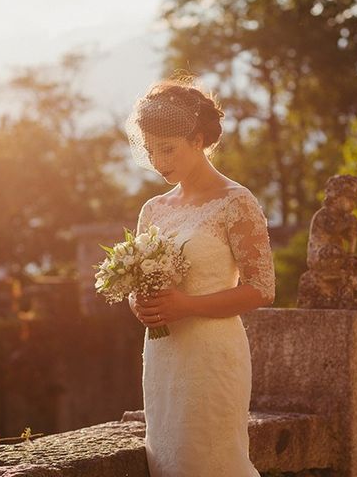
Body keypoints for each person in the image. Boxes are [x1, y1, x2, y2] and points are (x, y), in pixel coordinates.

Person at [125, 77, 276, 476]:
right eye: (152, 150)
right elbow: (137, 283)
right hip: (163, 358)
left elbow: (261, 289)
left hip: (212, 355)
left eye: (168, 149)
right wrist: (139, 302)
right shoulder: (153, 209)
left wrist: (187, 305)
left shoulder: (236, 201)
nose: (159, 162)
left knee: (210, 461)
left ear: (197, 139)